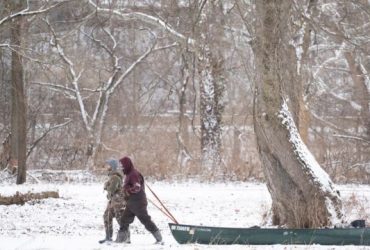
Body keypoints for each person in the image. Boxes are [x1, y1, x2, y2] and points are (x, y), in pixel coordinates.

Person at [116, 156, 163, 244]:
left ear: (127, 165)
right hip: (131, 203)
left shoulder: (133, 174)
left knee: (145, 220)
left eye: (122, 166)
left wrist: (127, 190)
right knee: (124, 220)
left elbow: (137, 187)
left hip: (138, 202)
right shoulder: (129, 174)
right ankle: (122, 240)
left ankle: (159, 239)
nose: (121, 168)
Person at [99, 159, 127, 244]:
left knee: (119, 218)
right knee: (106, 216)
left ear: (112, 166)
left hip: (117, 201)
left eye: (108, 165)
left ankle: (125, 237)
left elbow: (112, 189)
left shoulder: (115, 177)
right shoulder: (112, 176)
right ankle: (108, 237)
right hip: (112, 200)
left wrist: (105, 186)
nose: (107, 166)